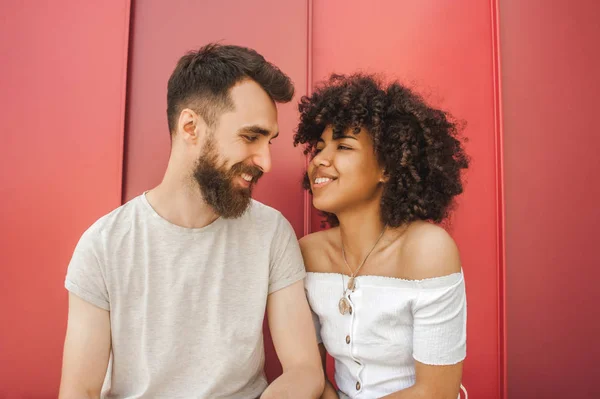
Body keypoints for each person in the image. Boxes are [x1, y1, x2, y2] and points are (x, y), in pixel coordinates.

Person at [59, 43, 323, 399]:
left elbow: (305, 370)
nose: (265, 161)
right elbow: (80, 391)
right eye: (250, 137)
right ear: (190, 127)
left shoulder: (272, 232)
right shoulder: (104, 245)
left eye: (269, 141)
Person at [294, 74, 469, 399]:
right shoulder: (307, 254)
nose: (319, 159)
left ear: (387, 167)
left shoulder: (429, 251)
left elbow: (436, 392)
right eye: (319, 147)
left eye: (343, 146)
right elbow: (311, 376)